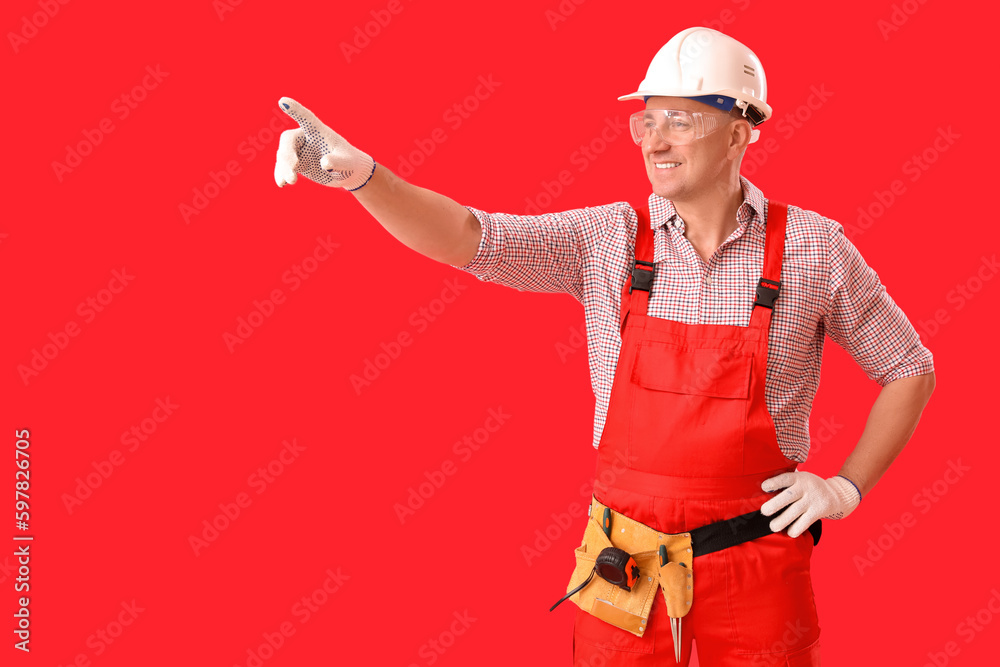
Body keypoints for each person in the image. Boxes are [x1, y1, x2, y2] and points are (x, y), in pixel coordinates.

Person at [273, 26, 935, 666]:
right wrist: (365, 178)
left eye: (680, 119)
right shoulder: (607, 241)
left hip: (761, 564)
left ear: (739, 131)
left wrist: (845, 488)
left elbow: (909, 366)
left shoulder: (814, 250)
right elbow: (473, 238)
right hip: (626, 565)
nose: (655, 140)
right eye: (647, 121)